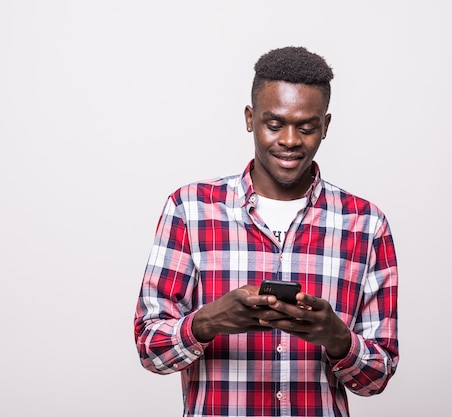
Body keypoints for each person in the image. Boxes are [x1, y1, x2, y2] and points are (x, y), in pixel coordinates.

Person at [134, 46, 399, 417]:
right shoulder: (189, 209)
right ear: (249, 118)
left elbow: (378, 377)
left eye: (306, 127)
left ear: (325, 125)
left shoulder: (367, 224)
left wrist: (336, 338)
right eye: (274, 124)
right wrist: (208, 321)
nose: (290, 140)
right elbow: (150, 349)